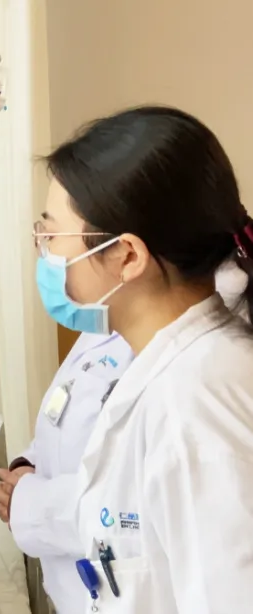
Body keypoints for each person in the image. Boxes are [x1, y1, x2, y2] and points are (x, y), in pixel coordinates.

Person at [15, 105, 253, 613]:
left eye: (51, 236)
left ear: (126, 256)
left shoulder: (197, 398)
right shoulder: (163, 367)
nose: (44, 253)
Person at [0, 332, 134, 614]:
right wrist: (26, 467)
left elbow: (131, 502)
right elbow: (59, 428)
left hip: (123, 591)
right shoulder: (94, 335)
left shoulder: (172, 355)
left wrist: (28, 504)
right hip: (74, 592)